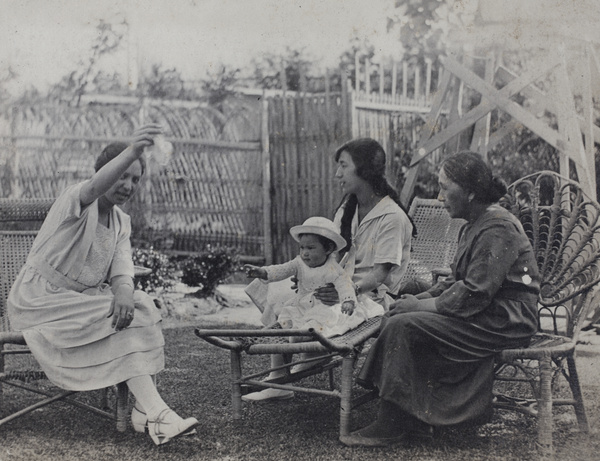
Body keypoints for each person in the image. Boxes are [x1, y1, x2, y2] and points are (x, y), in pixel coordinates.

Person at [7, 124, 198, 446]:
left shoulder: (122, 220)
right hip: (39, 300)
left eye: (135, 179)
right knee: (120, 313)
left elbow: (122, 266)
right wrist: (133, 152)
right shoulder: (77, 200)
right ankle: (158, 414)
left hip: (79, 301)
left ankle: (145, 411)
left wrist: (123, 291)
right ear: (106, 172)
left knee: (139, 304)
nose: (128, 185)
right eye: (123, 175)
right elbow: (95, 186)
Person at [340, 151, 541, 448]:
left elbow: (475, 292)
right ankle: (415, 419)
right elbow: (453, 281)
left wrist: (418, 307)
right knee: (401, 312)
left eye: (446, 187)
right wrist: (419, 297)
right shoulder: (473, 224)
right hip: (487, 312)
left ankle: (392, 425)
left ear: (471, 192)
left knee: (405, 325)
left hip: (506, 318)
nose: (439, 196)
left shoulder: (497, 226)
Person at [242, 138, 414, 401]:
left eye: (343, 166)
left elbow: (380, 275)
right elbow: (331, 255)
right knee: (276, 292)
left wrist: (346, 292)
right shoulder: (349, 207)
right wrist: (309, 275)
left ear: (364, 170)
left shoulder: (391, 217)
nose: (337, 174)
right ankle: (281, 376)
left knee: (307, 306)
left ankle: (305, 360)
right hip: (335, 284)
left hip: (369, 296)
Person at [243, 217, 384, 368]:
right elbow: (281, 270)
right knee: (288, 315)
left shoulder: (333, 269)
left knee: (318, 320)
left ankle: (302, 339)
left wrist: (348, 300)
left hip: (324, 306)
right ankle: (286, 338)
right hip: (302, 305)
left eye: (310, 248)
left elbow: (345, 285)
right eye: (302, 248)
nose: (304, 253)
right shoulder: (298, 263)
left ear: (328, 249)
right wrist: (263, 272)